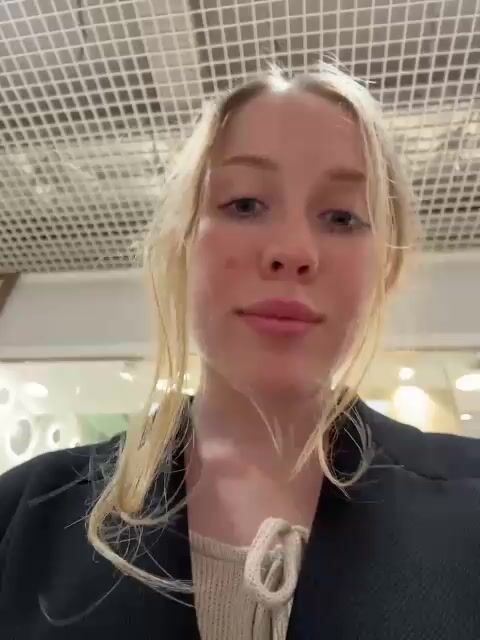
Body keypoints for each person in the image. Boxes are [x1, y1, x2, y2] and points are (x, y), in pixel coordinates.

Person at [1, 62, 480, 640]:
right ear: (181, 243)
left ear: (386, 266)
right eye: (245, 204)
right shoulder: (21, 518)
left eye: (341, 217)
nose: (293, 250)